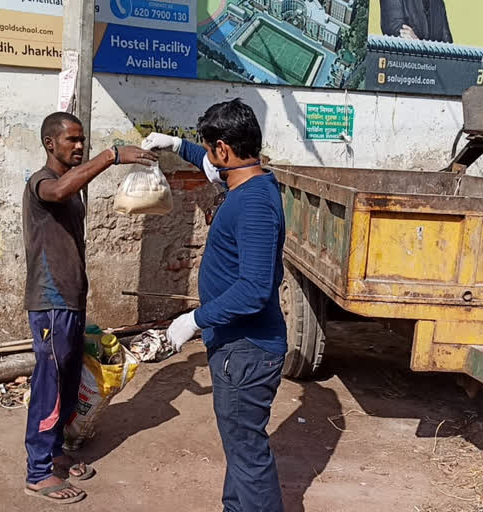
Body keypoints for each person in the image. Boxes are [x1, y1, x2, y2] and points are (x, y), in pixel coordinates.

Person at [142, 99, 287, 512]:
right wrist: (176, 144)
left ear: (224, 149)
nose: (208, 158)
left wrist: (194, 319)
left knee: (248, 455)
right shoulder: (247, 182)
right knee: (240, 449)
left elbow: (255, 289)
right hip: (238, 347)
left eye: (210, 149)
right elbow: (209, 167)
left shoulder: (254, 204)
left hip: (246, 350)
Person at [22, 111, 157, 503]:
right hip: (49, 303)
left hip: (70, 300)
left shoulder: (69, 187)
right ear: (51, 144)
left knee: (66, 381)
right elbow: (59, 191)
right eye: (72, 141)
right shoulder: (42, 184)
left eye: (83, 140)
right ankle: (38, 471)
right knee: (48, 385)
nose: (79, 146)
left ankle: (56, 452)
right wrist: (110, 156)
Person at [380, 0, 453, 43]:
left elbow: (448, 48)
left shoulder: (438, 3)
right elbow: (396, 34)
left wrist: (419, 43)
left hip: (433, 67)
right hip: (402, 65)